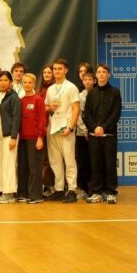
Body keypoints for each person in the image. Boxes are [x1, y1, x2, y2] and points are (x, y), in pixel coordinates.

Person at [83, 64, 122, 204]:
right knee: (95, 164)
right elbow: (87, 114)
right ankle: (97, 192)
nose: (101, 74)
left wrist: (103, 128)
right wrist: (94, 128)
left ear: (108, 75)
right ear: (96, 75)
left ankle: (111, 192)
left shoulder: (115, 92)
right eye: (99, 72)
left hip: (109, 135)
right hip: (94, 135)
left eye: (104, 72)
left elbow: (116, 114)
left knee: (110, 164)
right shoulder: (91, 93)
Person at [44, 58, 80, 203]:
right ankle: (59, 189)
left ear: (66, 70)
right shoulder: (51, 89)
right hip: (53, 128)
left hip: (66, 128)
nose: (57, 71)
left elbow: (76, 109)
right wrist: (49, 108)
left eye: (60, 69)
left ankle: (72, 190)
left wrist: (71, 127)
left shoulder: (71, 87)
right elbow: (46, 108)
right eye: (55, 69)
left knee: (69, 160)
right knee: (55, 161)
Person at [17, 73, 47, 204]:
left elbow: (42, 119)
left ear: (34, 84)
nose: (27, 85)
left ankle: (36, 195)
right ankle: (23, 193)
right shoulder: (21, 100)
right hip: (22, 138)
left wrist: (40, 137)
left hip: (34, 138)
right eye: (25, 82)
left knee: (35, 168)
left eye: (29, 82)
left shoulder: (38, 100)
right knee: (23, 167)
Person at [0, 71, 21, 204]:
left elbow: (16, 118)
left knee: (9, 162)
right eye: (0, 80)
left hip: (9, 134)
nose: (3, 83)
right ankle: (1, 189)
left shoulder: (13, 97)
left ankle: (9, 192)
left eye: (5, 80)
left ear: (10, 82)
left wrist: (13, 137)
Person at [75, 71, 96, 200]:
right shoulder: (79, 96)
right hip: (81, 134)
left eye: (90, 79)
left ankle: (95, 189)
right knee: (83, 162)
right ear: (82, 82)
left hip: (95, 133)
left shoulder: (98, 94)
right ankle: (83, 189)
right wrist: (85, 131)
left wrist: (93, 129)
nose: (88, 82)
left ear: (94, 81)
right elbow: (77, 115)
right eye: (85, 80)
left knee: (95, 161)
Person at [37, 64, 55, 196]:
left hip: (54, 127)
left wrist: (46, 108)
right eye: (45, 73)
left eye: (49, 72)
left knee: (53, 158)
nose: (47, 75)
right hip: (41, 127)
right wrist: (46, 108)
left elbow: (55, 107)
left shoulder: (56, 88)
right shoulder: (39, 90)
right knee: (44, 159)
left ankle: (54, 185)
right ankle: (45, 185)